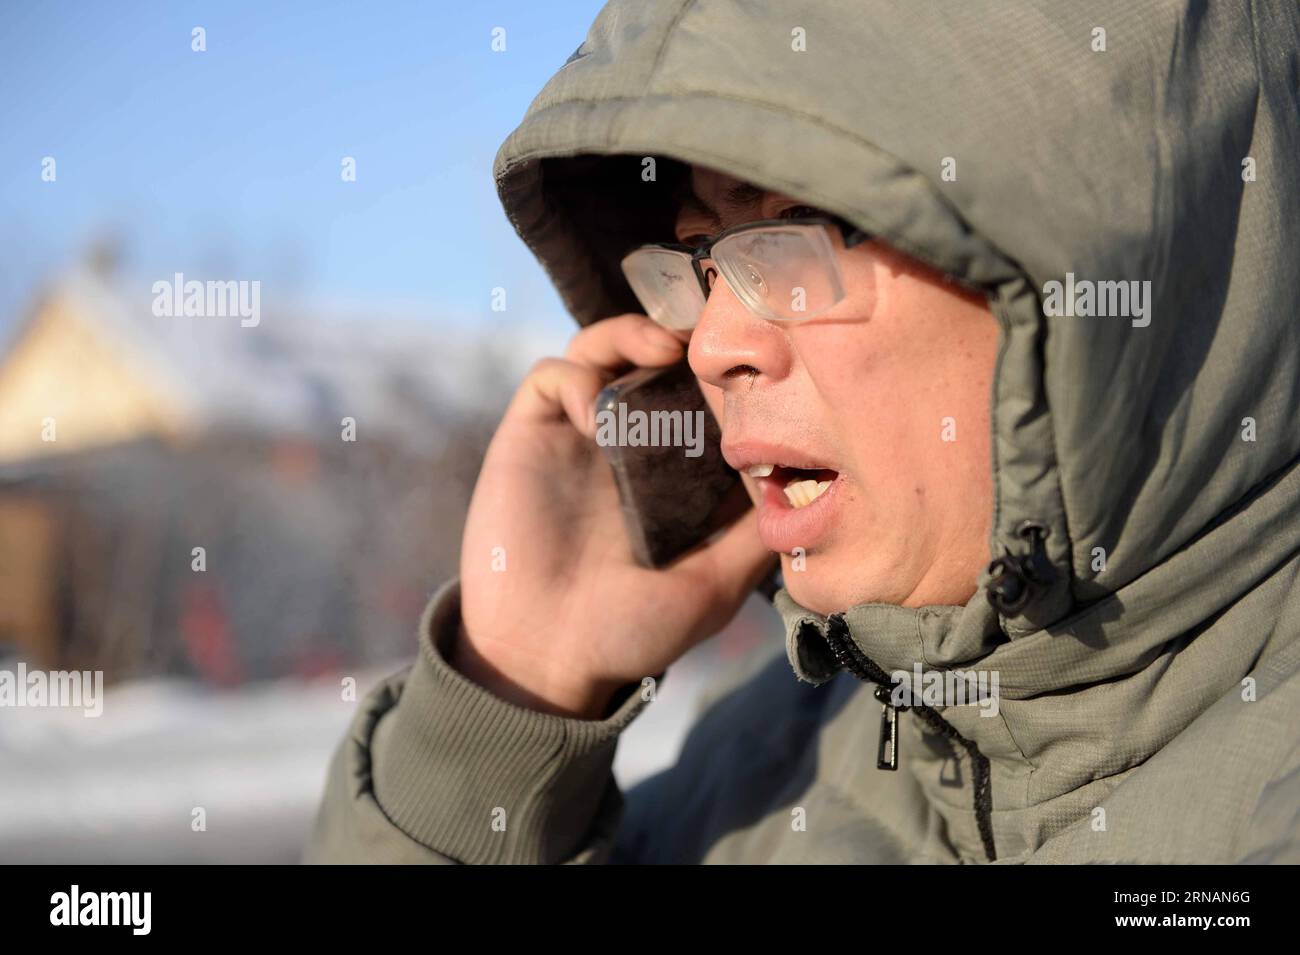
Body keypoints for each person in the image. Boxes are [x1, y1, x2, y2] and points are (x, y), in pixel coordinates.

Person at [305, 0, 1300, 863]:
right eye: (696, 258)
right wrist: (510, 695)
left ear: (1109, 245)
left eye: (794, 233)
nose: (713, 347)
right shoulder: (773, 757)